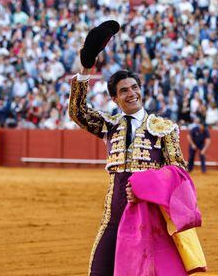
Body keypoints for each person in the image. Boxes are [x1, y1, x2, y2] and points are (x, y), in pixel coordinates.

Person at [69, 22, 205, 275]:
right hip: (114, 214)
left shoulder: (163, 127)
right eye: (123, 91)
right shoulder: (109, 125)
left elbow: (179, 171)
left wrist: (145, 186)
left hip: (149, 216)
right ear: (114, 98)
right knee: (100, 270)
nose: (131, 94)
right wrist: (85, 69)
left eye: (134, 88)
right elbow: (77, 112)